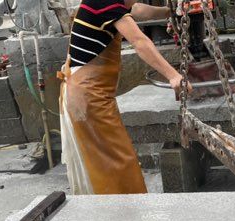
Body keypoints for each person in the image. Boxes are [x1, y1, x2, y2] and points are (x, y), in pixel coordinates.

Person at [59, 1, 187, 195]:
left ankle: (118, 207)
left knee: (106, 162)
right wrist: (173, 75)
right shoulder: (105, 2)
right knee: (117, 163)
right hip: (87, 99)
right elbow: (139, 42)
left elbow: (138, 10)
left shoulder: (115, 5)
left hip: (90, 95)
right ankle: (126, 209)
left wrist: (170, 12)